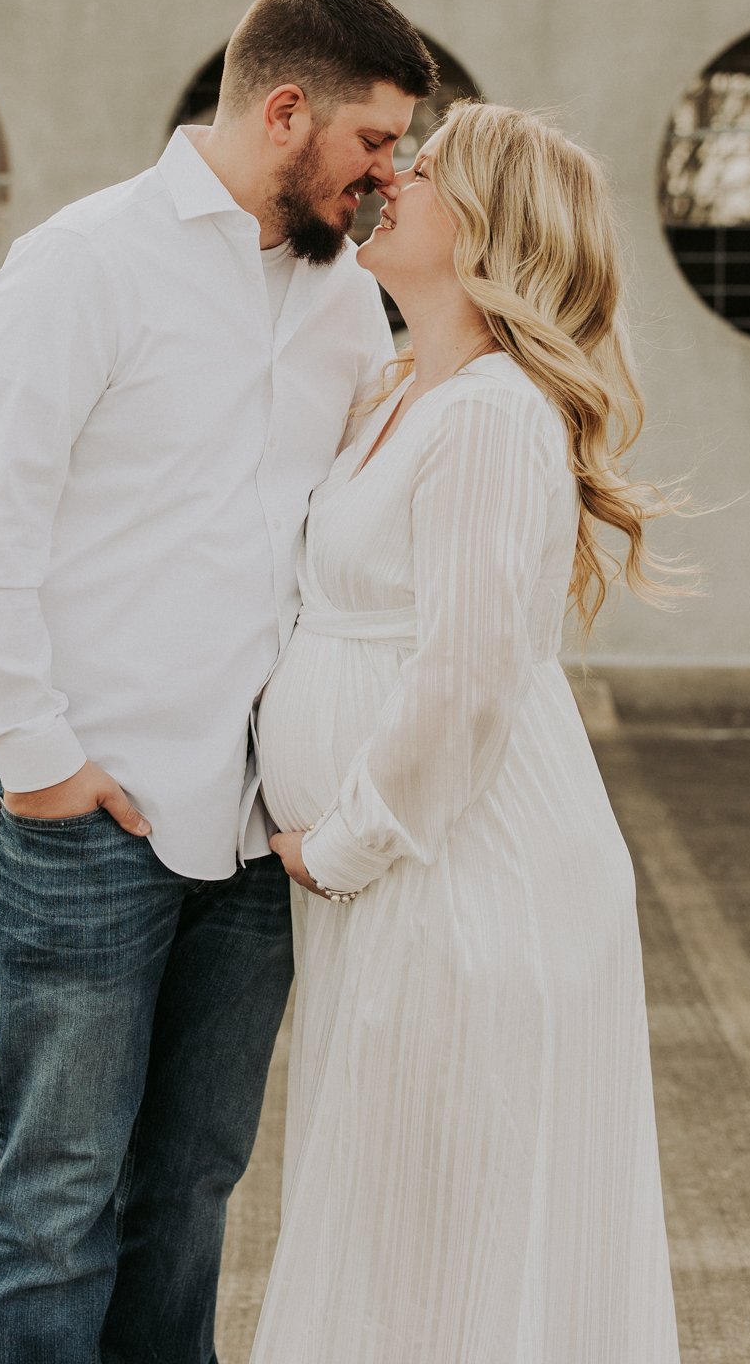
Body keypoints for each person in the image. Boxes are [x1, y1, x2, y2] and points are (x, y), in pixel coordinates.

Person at [0, 0, 438, 1364]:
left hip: (255, 828)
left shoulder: (343, 308)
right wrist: (37, 763)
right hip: (86, 814)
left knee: (192, 1193)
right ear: (287, 111)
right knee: (56, 1201)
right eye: (377, 143)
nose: (392, 175)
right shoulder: (83, 263)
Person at [252, 102, 683, 1364]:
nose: (390, 176)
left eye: (422, 168)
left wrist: (345, 842)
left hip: (459, 875)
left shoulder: (492, 413)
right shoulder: (396, 389)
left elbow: (469, 678)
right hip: (394, 881)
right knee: (402, 1224)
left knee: (450, 1230)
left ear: (481, 222)